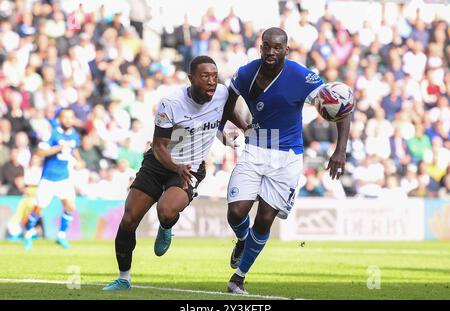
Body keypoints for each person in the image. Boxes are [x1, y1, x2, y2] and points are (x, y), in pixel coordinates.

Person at [221, 27, 351, 294]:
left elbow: (340, 106)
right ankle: (242, 239)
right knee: (236, 211)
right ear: (261, 47)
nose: (271, 52)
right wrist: (240, 126)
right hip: (256, 148)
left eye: (277, 47)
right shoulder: (245, 73)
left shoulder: (301, 76)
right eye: (266, 46)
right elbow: (226, 103)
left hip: (287, 156)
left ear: (286, 50)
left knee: (265, 219)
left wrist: (340, 149)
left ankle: (239, 277)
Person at [102, 56, 243, 291]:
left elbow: (221, 117)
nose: (211, 81)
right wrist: (176, 166)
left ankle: (166, 227)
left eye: (214, 76)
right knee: (128, 219)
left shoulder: (221, 93)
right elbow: (159, 146)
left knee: (166, 211)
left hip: (190, 168)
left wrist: (231, 132)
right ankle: (123, 278)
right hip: (160, 162)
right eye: (205, 76)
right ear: (191, 79)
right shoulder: (171, 102)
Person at [23, 108, 84, 250]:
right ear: (59, 119)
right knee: (38, 209)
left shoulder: (74, 135)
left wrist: (80, 160)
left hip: (65, 177)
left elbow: (74, 149)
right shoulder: (52, 133)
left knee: (70, 206)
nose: (68, 120)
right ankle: (28, 233)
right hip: (49, 178)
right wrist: (58, 148)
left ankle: (61, 236)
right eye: (65, 117)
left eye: (71, 117)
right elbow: (40, 152)